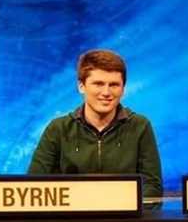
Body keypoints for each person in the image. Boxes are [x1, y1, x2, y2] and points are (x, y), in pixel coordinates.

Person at [27, 49, 163, 197]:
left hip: (125, 218)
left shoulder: (140, 126)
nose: (106, 92)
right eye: (98, 84)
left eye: (114, 85)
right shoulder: (58, 129)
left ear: (123, 88)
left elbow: (152, 186)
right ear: (81, 86)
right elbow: (34, 186)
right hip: (70, 218)